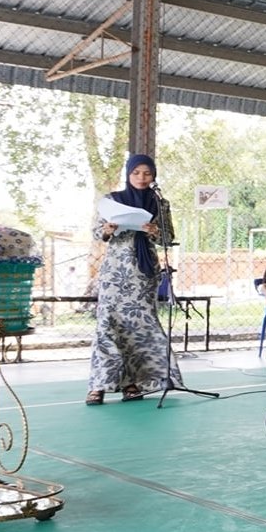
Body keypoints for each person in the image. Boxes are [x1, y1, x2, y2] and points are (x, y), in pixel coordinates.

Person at [86, 154, 182, 403]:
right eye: (136, 173)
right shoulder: (112, 200)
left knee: (138, 328)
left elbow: (168, 237)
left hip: (144, 273)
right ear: (128, 174)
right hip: (116, 272)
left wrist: (155, 231)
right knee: (108, 325)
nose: (142, 178)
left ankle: (133, 383)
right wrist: (107, 230)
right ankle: (99, 385)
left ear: (154, 175)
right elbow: (97, 232)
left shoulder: (160, 203)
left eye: (147, 173)